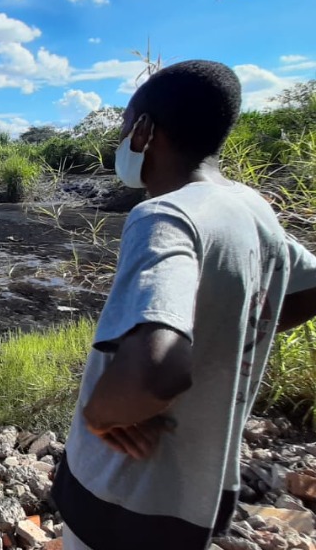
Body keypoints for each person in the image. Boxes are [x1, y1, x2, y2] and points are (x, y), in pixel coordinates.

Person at [50, 60, 316, 550]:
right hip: (202, 487)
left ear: (145, 131)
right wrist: (223, 336)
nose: (123, 141)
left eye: (126, 127)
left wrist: (100, 416)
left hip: (126, 488)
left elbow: (158, 370)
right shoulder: (250, 206)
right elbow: (304, 288)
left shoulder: (166, 216)